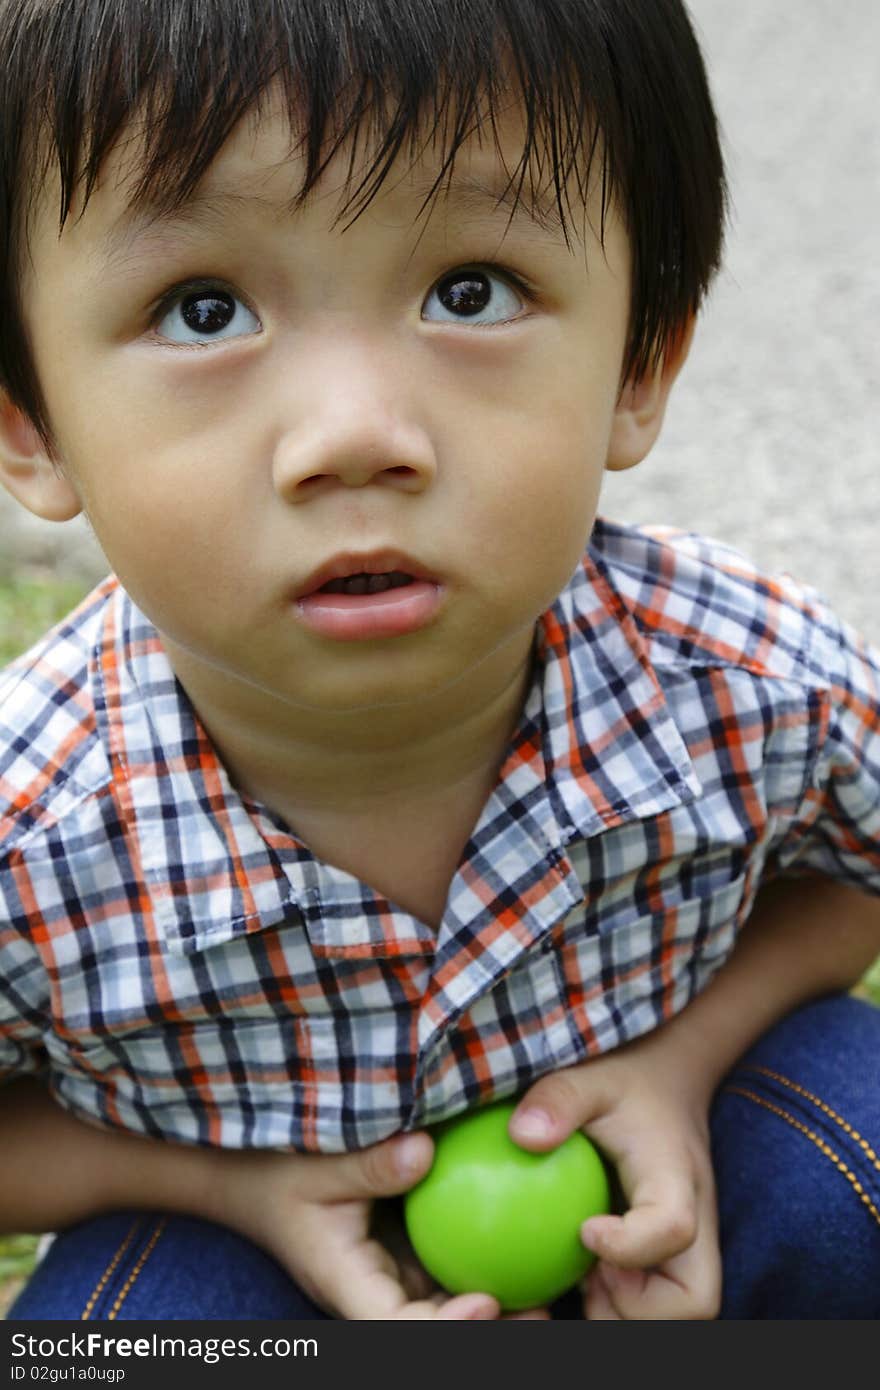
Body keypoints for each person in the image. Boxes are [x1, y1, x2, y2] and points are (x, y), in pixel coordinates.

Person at [1, 0, 878, 1322]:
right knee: (117, 1336)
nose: (355, 435)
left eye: (468, 291)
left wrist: (681, 1062)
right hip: (250, 1246)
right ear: (32, 426)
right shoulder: (31, 829)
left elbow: (860, 866)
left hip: (684, 1170)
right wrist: (220, 1183)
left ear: (641, 361)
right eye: (203, 307)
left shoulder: (750, 677)